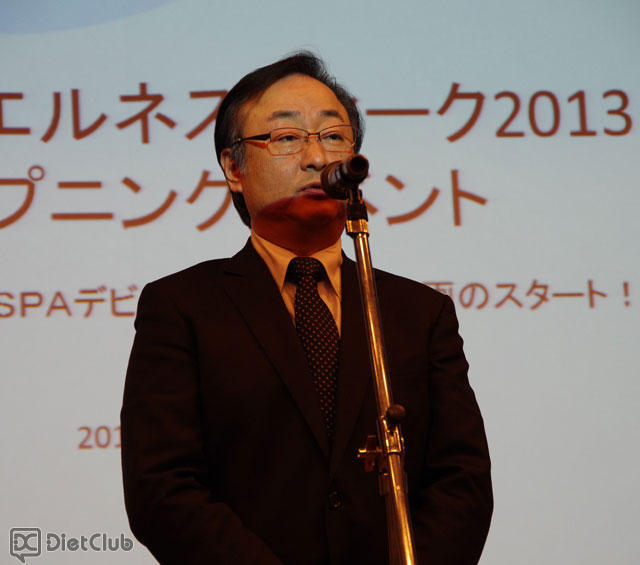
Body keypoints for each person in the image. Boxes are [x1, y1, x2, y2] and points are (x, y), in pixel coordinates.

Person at [121, 52, 492, 565]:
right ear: (233, 167)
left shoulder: (420, 312)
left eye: (334, 136)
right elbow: (162, 488)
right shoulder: (182, 307)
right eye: (286, 137)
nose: (318, 158)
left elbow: (462, 481)